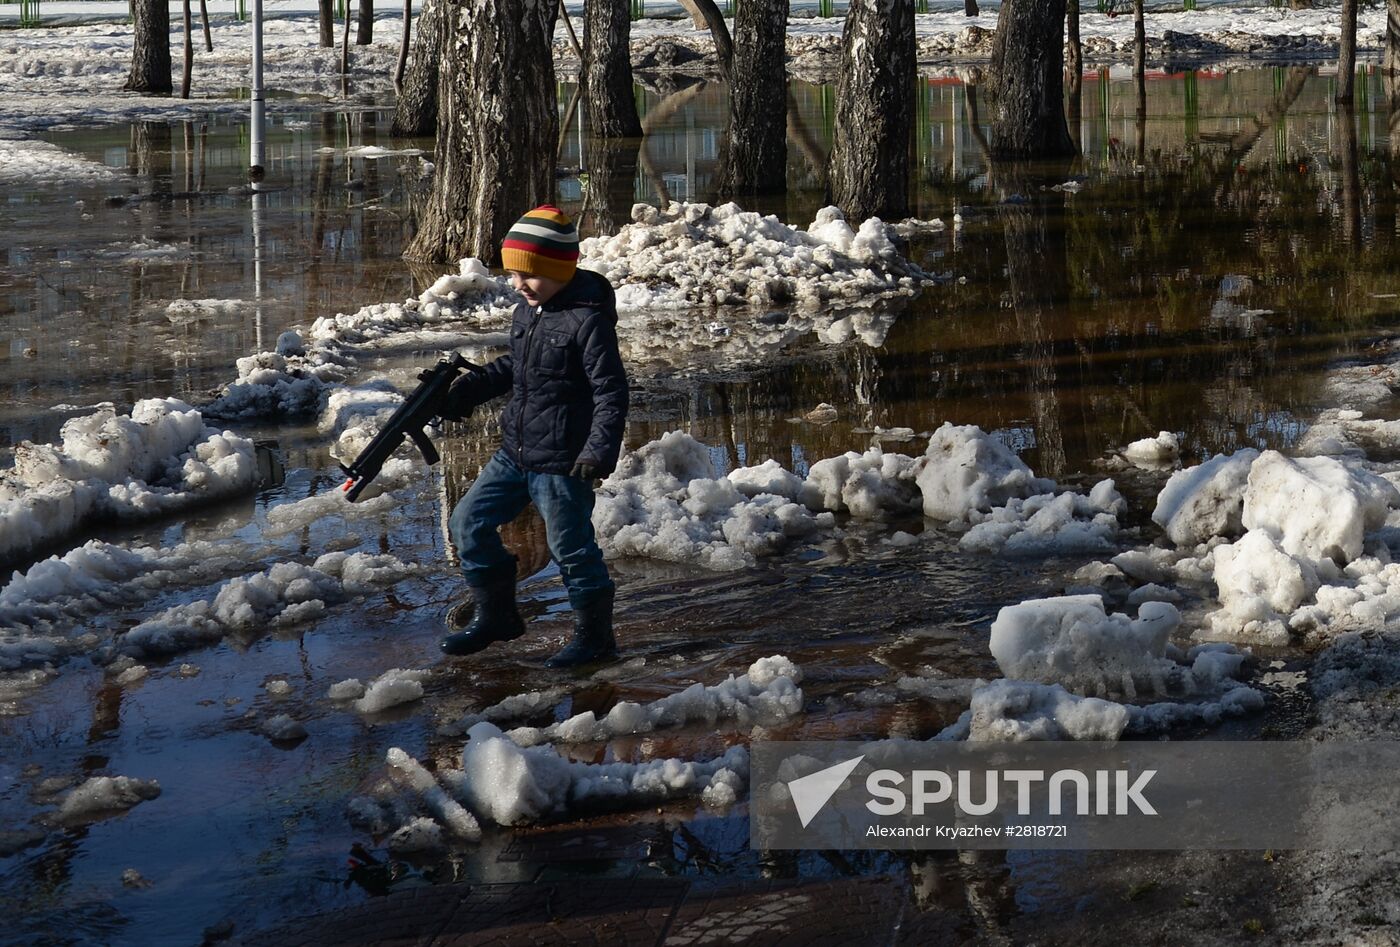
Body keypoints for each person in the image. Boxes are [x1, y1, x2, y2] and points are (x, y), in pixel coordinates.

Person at [436, 205, 628, 668]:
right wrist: (475, 386)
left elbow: (611, 392)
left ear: (559, 268)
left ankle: (595, 637)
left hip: (563, 461)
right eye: (513, 275)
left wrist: (598, 449)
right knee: (467, 523)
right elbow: (516, 368)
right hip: (515, 453)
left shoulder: (588, 321)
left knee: (572, 550)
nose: (519, 285)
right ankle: (497, 613)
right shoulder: (530, 312)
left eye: (530, 275)